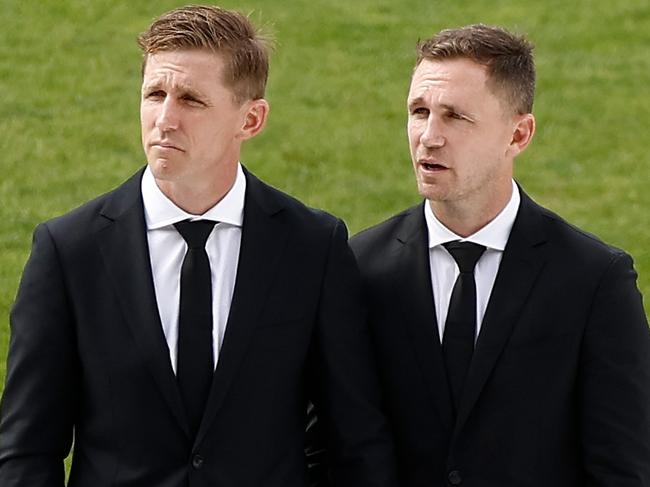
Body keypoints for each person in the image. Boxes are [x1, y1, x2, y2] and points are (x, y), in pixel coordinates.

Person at [0, 6, 397, 487]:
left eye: (190, 99)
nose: (164, 119)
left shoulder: (312, 247)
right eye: (154, 94)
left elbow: (355, 440)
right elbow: (26, 451)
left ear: (251, 119)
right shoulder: (68, 250)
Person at [349, 24, 650, 486]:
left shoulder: (594, 280)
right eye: (419, 111)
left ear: (519, 134)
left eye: (455, 117)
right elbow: (333, 443)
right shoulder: (359, 267)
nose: (429, 136)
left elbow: (622, 466)